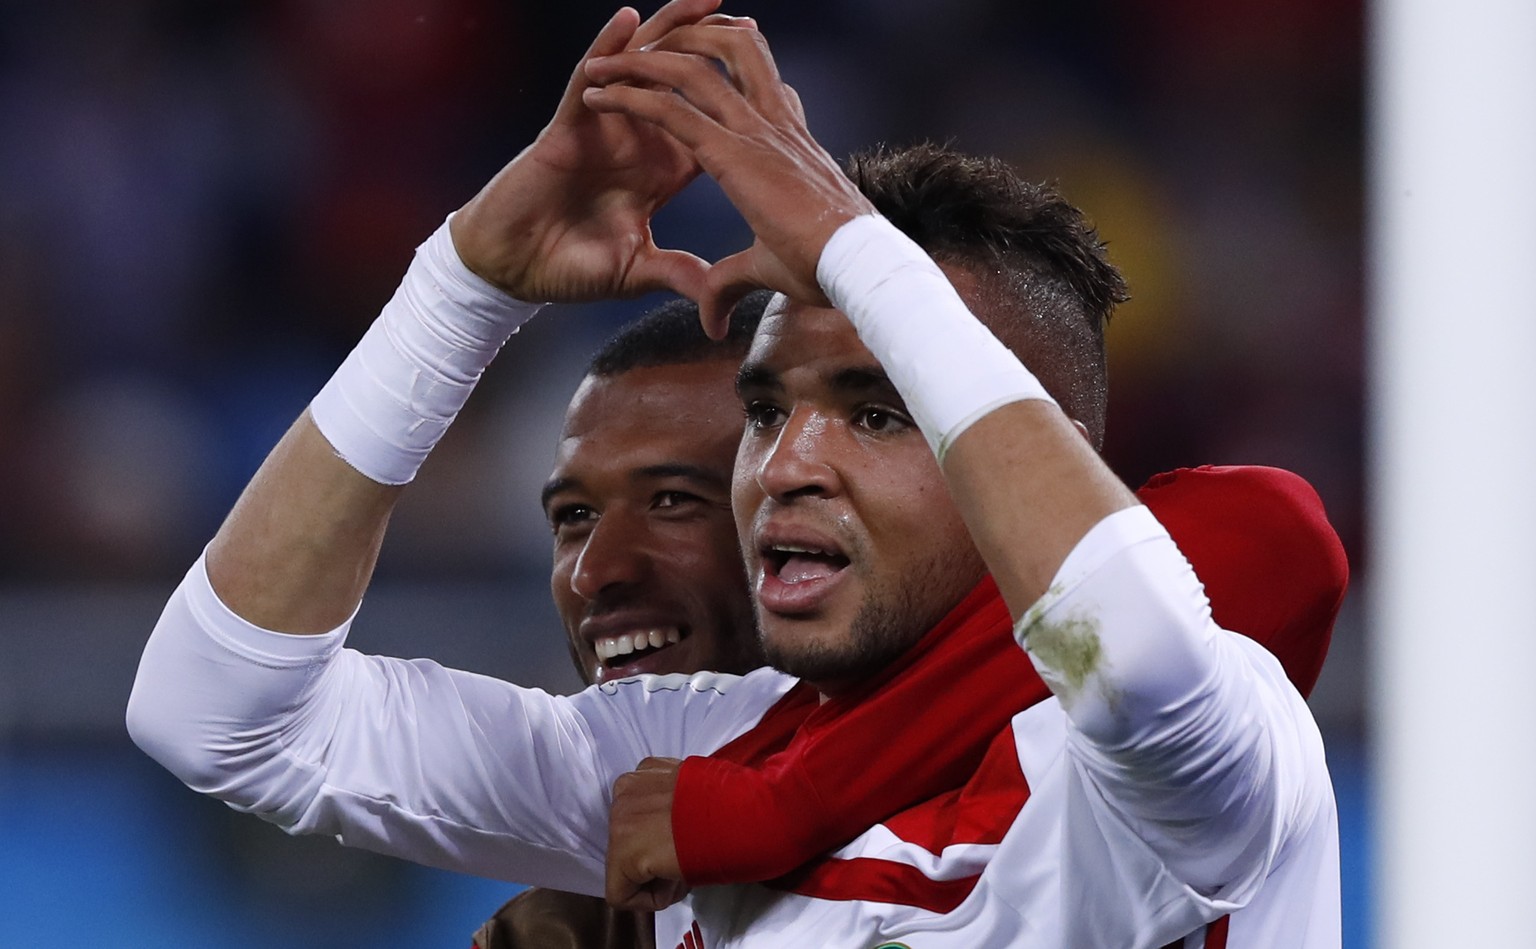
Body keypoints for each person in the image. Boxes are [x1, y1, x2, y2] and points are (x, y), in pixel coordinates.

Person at [125, 4, 1344, 946]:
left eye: (880, 409)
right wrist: (461, 292)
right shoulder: (697, 744)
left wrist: (853, 249)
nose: (787, 464)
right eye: (766, 410)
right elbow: (216, 715)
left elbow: (1133, 648)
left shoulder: (1200, 759)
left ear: (1021, 451)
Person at [475, 299, 1345, 949]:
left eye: (675, 500)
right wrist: (463, 281)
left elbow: (1271, 535)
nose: (602, 570)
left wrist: (788, 800)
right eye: (573, 516)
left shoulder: (1080, 765)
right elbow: (335, 732)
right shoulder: (603, 846)